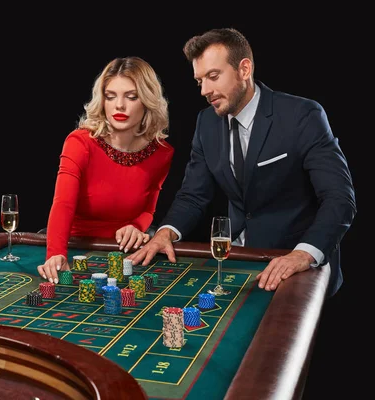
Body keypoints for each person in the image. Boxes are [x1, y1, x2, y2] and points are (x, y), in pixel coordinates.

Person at [126, 28, 356, 297]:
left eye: (213, 76)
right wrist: (166, 232)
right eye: (199, 81)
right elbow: (193, 195)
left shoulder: (302, 115)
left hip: (296, 263)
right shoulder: (206, 123)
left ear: (244, 69)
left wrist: (303, 254)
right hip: (238, 260)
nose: (205, 90)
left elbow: (339, 199)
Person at [37, 56, 174, 284]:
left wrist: (136, 226)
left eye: (131, 97)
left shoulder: (162, 153)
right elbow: (63, 204)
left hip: (124, 251)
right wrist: (55, 254)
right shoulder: (80, 142)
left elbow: (149, 210)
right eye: (111, 97)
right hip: (76, 245)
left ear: (148, 101)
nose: (119, 105)